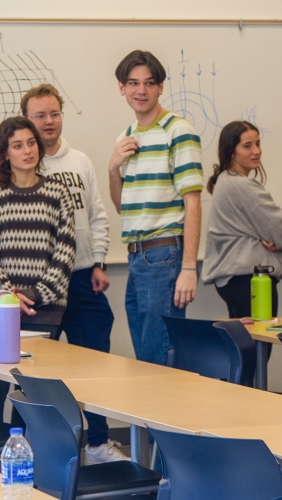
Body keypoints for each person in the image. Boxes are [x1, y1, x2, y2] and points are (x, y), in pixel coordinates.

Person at [21, 84, 126, 463]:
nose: (48, 122)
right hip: (40, 285)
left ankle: (97, 443)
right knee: (34, 369)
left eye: (54, 113)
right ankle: (34, 443)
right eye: (39, 115)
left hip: (82, 277)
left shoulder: (79, 160)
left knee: (95, 362)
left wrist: (99, 261)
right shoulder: (26, 162)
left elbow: (97, 213)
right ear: (26, 121)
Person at [0, 116, 76, 431]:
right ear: (5, 153)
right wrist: (9, 298)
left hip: (44, 311)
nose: (27, 151)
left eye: (31, 143)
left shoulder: (59, 194)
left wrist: (29, 297)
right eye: (18, 145)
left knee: (33, 391)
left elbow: (65, 255)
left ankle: (26, 455)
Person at [107, 50, 203, 366]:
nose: (141, 91)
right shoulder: (127, 136)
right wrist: (113, 168)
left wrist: (189, 268)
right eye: (133, 83)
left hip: (163, 255)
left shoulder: (178, 130)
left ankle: (154, 418)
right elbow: (123, 207)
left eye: (149, 83)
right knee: (145, 359)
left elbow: (193, 202)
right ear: (121, 88)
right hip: (136, 256)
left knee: (157, 358)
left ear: (161, 86)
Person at [201, 121, 282, 318]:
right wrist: (277, 242)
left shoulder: (225, 181)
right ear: (231, 152)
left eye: (258, 144)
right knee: (258, 347)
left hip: (238, 281)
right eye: (247, 146)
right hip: (250, 281)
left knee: (245, 346)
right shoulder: (241, 185)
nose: (256, 151)